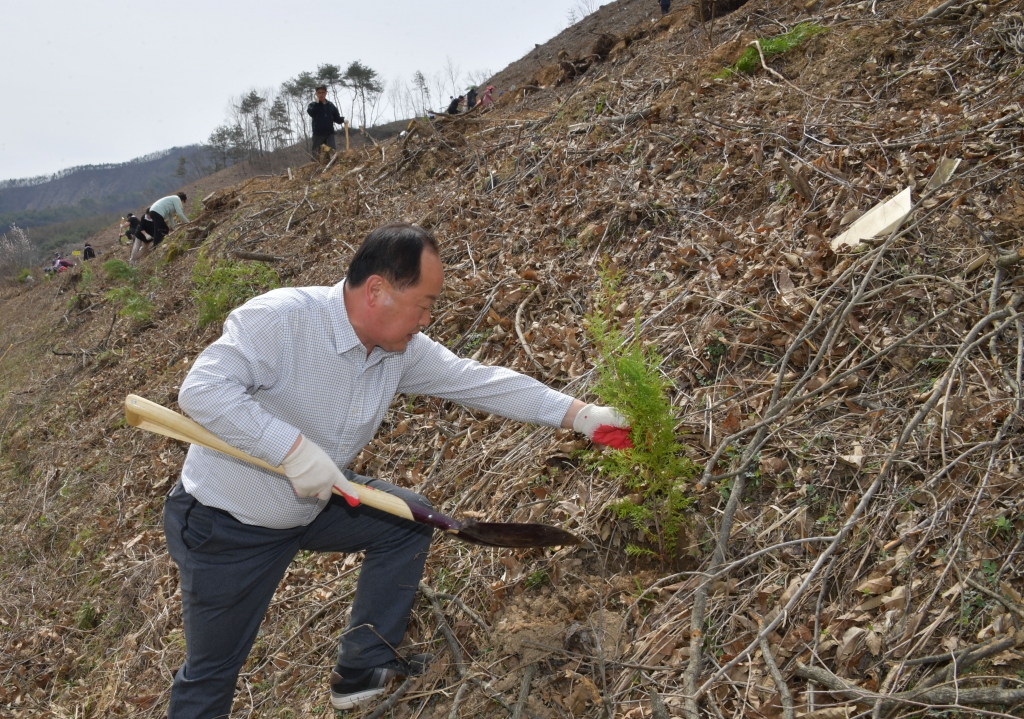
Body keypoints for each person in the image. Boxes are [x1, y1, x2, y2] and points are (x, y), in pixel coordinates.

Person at [163, 223, 631, 718]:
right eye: (424, 304)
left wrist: (582, 417)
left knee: (409, 520)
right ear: (378, 291)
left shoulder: (396, 350)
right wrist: (292, 449)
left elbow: (479, 382)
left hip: (317, 500)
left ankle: (362, 668)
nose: (427, 319)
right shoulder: (281, 321)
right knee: (212, 673)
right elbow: (202, 391)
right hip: (227, 525)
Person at [131, 193, 189, 263]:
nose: (182, 204)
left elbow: (170, 217)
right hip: (156, 212)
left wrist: (174, 228)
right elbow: (179, 213)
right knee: (159, 230)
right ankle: (155, 247)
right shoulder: (176, 199)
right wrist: (188, 223)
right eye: (183, 203)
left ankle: (156, 246)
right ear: (182, 200)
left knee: (164, 229)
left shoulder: (170, 202)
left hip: (154, 211)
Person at [307, 85, 345, 158]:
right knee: (316, 155)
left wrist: (343, 119)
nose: (321, 94)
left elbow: (336, 118)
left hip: (329, 133)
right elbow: (311, 113)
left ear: (326, 93)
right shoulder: (312, 105)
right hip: (318, 134)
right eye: (319, 93)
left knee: (332, 153)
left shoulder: (330, 105)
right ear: (316, 93)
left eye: (323, 92)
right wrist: (317, 103)